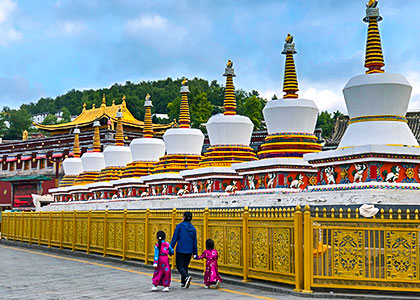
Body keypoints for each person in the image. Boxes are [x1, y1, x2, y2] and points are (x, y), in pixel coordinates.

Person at [170, 211, 197, 288]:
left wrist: (170, 249)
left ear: (184, 217)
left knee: (179, 266)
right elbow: (194, 241)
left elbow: (175, 238)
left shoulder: (179, 226)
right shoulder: (193, 229)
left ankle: (186, 277)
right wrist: (195, 253)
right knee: (185, 266)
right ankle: (184, 282)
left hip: (180, 249)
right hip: (189, 250)